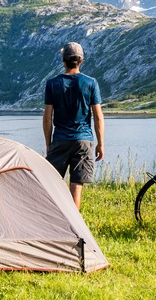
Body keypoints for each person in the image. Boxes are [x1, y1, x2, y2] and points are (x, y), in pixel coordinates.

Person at [42, 42, 104, 210]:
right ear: (81, 61)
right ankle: (74, 228)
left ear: (63, 61)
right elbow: (98, 117)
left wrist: (49, 143)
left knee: (53, 183)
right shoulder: (90, 83)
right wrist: (100, 143)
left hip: (60, 139)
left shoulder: (52, 84)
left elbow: (48, 118)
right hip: (83, 140)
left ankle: (56, 220)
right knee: (76, 186)